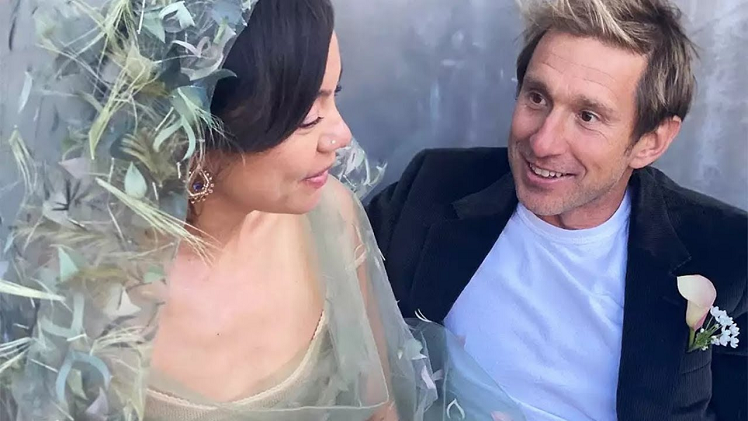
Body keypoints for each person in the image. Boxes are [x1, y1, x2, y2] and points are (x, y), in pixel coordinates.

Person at [366, 0, 747, 420]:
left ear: (650, 142)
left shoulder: (727, 253)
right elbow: (335, 312)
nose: (543, 142)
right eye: (537, 97)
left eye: (587, 116)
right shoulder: (431, 189)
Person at [143, 1, 523, 420]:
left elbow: (382, 409)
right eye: (309, 116)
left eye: (333, 96)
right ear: (202, 127)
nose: (341, 136)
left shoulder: (330, 219)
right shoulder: (105, 293)